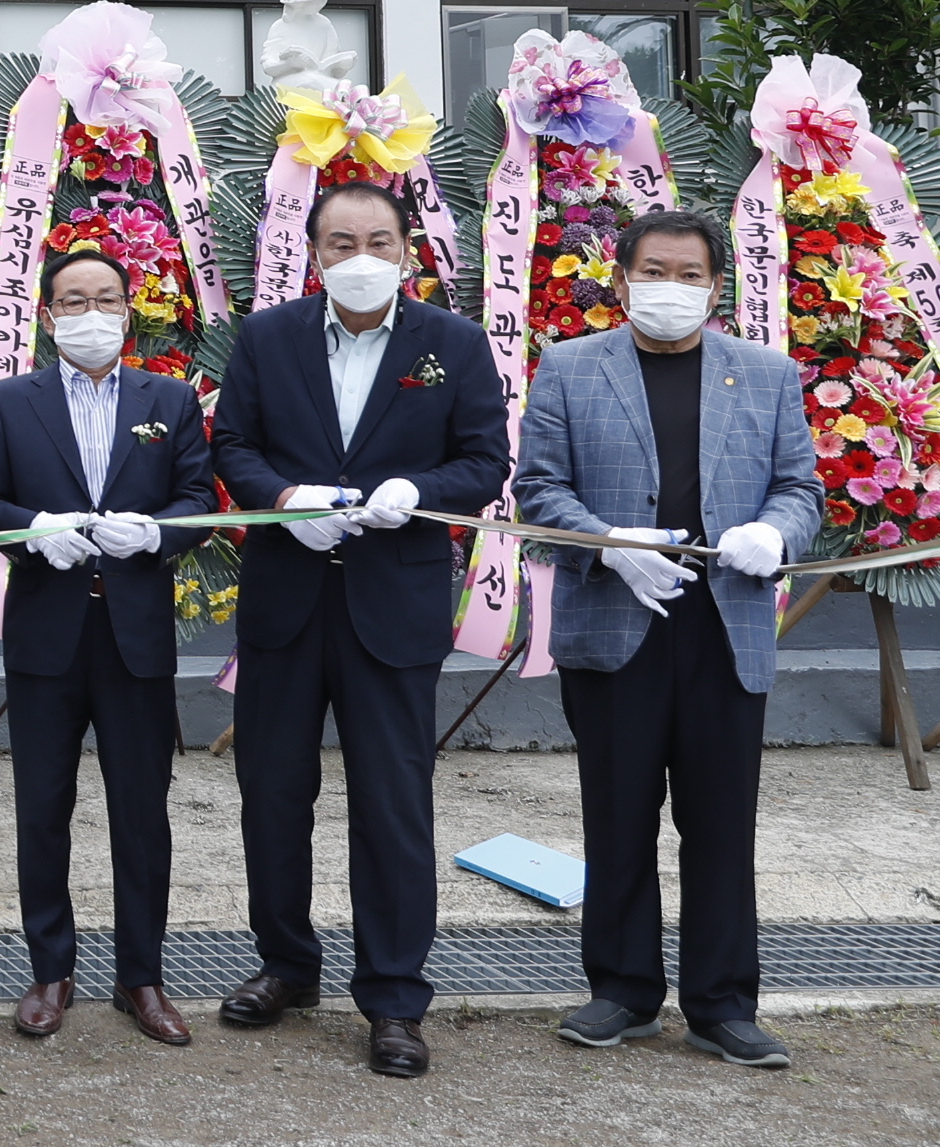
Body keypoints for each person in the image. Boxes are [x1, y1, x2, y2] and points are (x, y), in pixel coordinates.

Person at [209, 180, 510, 1078]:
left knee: (390, 804)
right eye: (340, 241)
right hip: (285, 600)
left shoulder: (451, 343)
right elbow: (232, 443)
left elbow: (484, 460)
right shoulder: (268, 336)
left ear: (407, 250)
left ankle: (391, 996)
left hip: (393, 602)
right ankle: (286, 964)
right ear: (313, 252)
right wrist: (280, 498)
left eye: (377, 239)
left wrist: (419, 494)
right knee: (271, 793)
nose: (359, 256)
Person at [513, 210, 818, 1069]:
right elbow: (537, 490)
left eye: (690, 274)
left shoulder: (765, 373)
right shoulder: (571, 367)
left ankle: (721, 1002)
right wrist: (610, 544)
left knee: (720, 820)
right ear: (619, 279)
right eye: (654, 271)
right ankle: (621, 988)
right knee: (617, 813)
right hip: (616, 623)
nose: (671, 288)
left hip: (726, 621)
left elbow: (801, 486)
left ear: (715, 287)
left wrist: (775, 532)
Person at [0, 248, 214, 1046]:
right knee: (43, 807)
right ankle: (50, 967)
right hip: (46, 629)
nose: (90, 312)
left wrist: (156, 533)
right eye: (72, 299)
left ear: (127, 307)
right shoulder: (9, 402)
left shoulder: (169, 399)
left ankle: (140, 976)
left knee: (140, 811)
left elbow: (192, 499)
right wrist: (31, 532)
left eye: (105, 297)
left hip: (134, 632)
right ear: (47, 315)